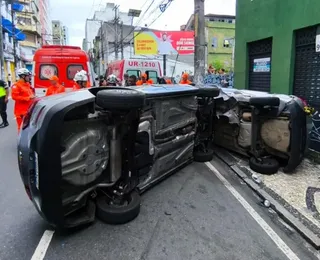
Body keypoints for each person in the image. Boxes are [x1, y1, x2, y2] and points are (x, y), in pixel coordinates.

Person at [11, 68, 34, 133]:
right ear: (23, 76)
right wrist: (27, 98)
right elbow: (14, 97)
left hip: (28, 110)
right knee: (21, 128)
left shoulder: (27, 84)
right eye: (27, 76)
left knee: (29, 127)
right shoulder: (16, 85)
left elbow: (30, 94)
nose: (29, 77)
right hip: (21, 111)